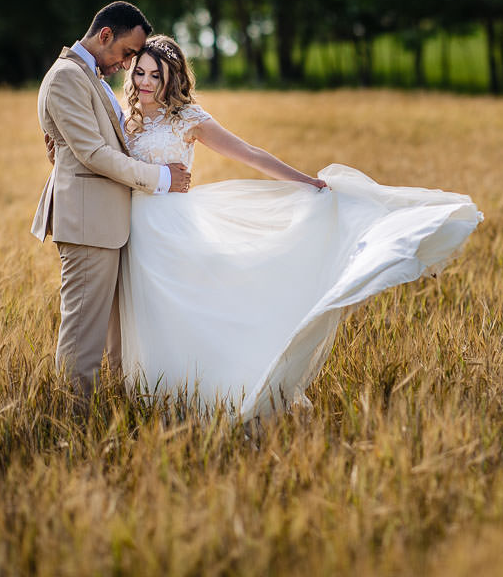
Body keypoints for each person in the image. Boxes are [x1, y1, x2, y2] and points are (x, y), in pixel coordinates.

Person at [116, 34, 482, 420]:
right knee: (152, 318)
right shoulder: (126, 119)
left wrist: (306, 181)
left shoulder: (187, 118)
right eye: (140, 73)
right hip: (137, 233)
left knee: (187, 312)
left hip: (175, 230)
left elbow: (249, 153)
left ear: (172, 79)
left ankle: (214, 396)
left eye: (156, 75)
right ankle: (160, 401)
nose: (145, 83)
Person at [31, 1, 192, 399]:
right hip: (89, 224)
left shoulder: (90, 77)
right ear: (105, 35)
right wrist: (162, 178)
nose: (128, 64)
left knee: (118, 336)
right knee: (83, 336)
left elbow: (87, 145)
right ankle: (73, 418)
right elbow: (93, 154)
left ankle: (122, 406)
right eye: (126, 53)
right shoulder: (67, 77)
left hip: (108, 222)